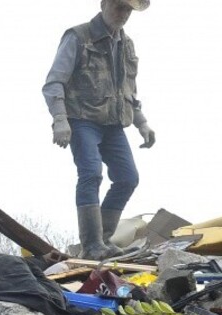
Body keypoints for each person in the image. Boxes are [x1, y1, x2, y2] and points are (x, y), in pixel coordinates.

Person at [44, 0, 155, 260]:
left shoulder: (126, 45)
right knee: (91, 173)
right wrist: (60, 119)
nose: (123, 14)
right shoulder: (78, 37)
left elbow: (128, 90)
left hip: (113, 123)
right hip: (82, 119)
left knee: (128, 178)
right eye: (119, 7)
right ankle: (91, 244)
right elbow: (54, 82)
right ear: (104, 4)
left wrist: (142, 122)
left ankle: (103, 240)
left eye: (128, 10)